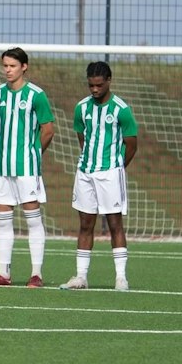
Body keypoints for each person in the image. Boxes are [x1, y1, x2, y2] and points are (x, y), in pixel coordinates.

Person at [0, 47, 55, 287]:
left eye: (12, 66)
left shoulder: (36, 95)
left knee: (33, 220)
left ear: (24, 67)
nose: (8, 70)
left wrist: (33, 153)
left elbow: (48, 130)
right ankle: (3, 275)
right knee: (3, 221)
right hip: (2, 167)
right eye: (5, 66)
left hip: (27, 168)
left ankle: (36, 274)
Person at [62, 61, 139, 291]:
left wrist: (115, 167)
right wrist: (90, 161)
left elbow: (132, 144)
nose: (94, 90)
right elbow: (82, 138)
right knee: (85, 224)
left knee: (115, 224)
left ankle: (121, 278)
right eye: (90, 86)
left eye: (98, 85)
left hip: (110, 174)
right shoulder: (82, 108)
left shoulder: (121, 109)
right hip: (85, 172)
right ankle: (81, 277)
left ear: (108, 81)